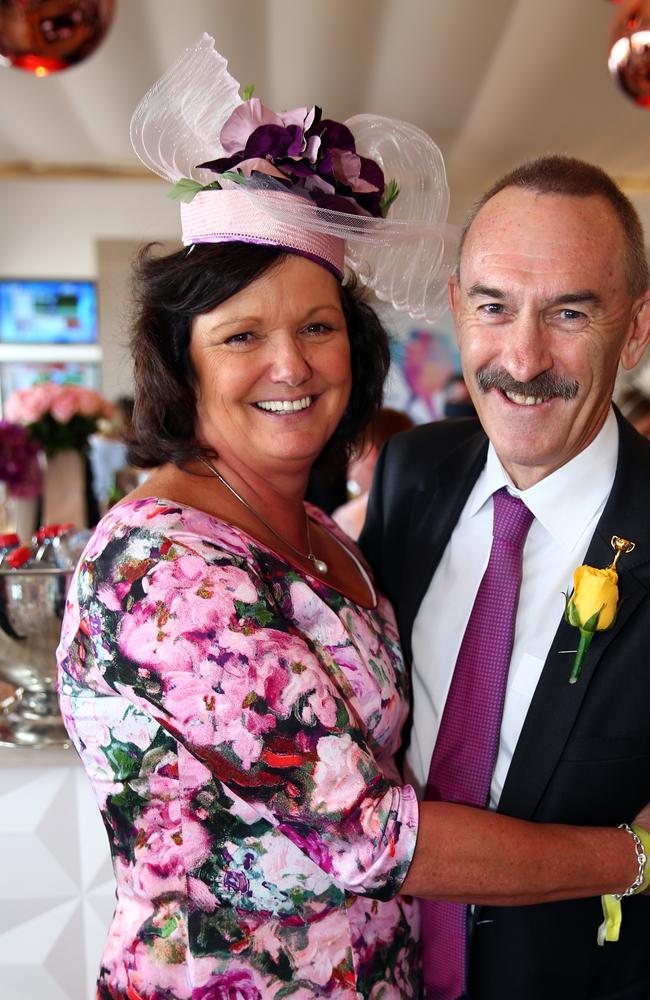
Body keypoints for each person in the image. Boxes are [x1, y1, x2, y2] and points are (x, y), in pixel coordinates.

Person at [56, 39, 649, 999]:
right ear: (184, 364)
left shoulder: (328, 532)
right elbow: (370, 832)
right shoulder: (164, 569)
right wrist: (633, 858)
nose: (290, 367)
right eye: (242, 336)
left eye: (317, 328)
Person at [361, 155, 650, 1000]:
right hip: (384, 970)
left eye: (568, 313)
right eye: (494, 307)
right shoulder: (410, 473)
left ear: (635, 331)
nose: (522, 359)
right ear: (457, 307)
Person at [332, 406, 414, 539]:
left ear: (369, 454)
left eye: (351, 452)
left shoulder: (348, 518)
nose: (347, 463)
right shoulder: (424, 506)